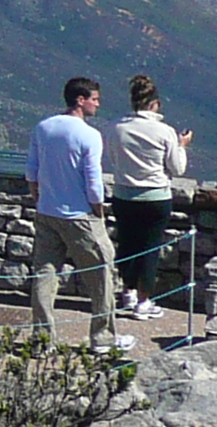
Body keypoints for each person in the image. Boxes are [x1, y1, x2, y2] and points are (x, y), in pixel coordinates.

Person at [27, 76, 122, 354]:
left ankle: (42, 340)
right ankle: (102, 338)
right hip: (80, 215)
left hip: (47, 212)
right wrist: (98, 210)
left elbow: (31, 172)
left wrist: (39, 200)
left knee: (44, 275)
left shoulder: (43, 127)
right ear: (80, 100)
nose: (98, 104)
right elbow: (93, 181)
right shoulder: (89, 135)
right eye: (94, 98)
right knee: (102, 276)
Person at [109, 75, 189, 321]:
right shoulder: (165, 132)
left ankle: (128, 292)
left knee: (128, 245)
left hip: (124, 195)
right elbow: (177, 169)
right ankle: (144, 301)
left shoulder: (118, 127)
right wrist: (182, 145)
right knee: (150, 248)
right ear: (155, 103)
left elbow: (114, 159)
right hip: (154, 197)